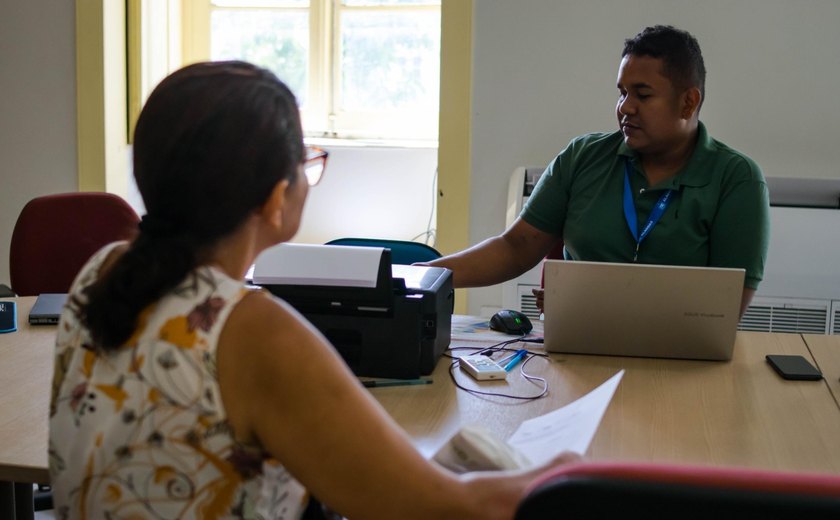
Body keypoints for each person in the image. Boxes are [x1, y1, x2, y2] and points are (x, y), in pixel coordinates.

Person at [48, 61, 578, 519]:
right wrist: (563, 472)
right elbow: (444, 508)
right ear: (277, 199)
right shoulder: (253, 331)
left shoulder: (102, 271)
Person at [427, 25, 769, 317]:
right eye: (621, 93)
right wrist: (425, 276)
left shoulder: (736, 178)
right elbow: (516, 248)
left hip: (680, 360)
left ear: (688, 102)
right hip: (576, 349)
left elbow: (723, 307)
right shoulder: (582, 157)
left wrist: (594, 305)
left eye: (643, 95)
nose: (625, 108)